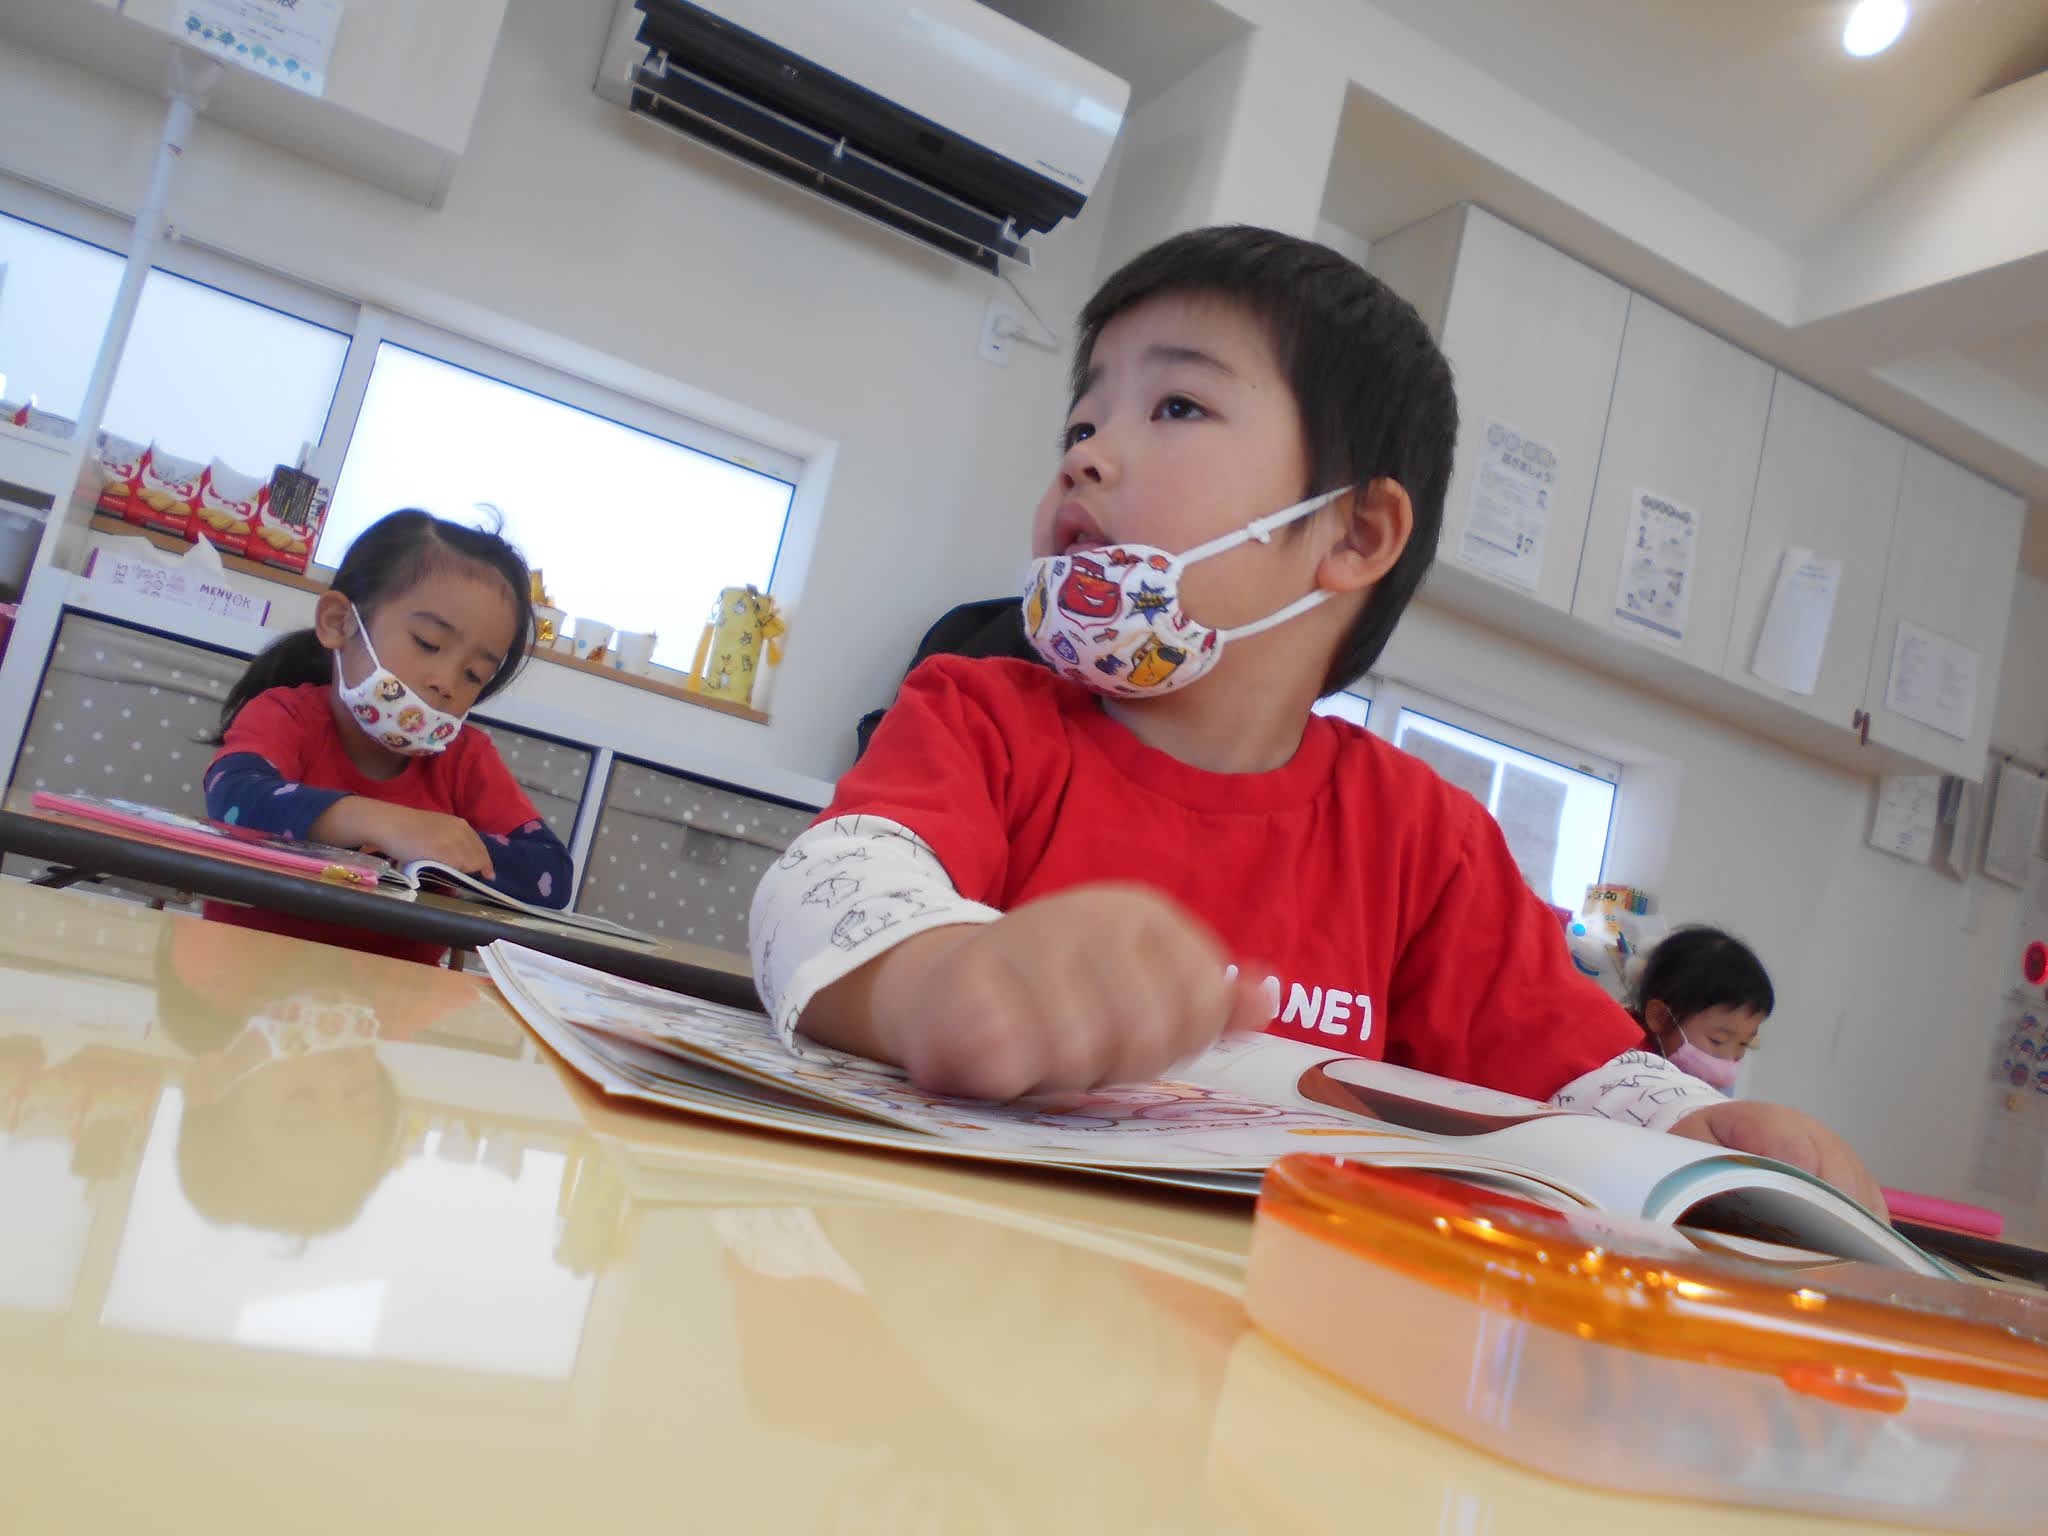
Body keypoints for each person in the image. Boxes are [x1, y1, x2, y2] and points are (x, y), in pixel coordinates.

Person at [749, 225, 1883, 1211]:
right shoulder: (979, 711)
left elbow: (1579, 1073)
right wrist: (938, 981)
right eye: (1079, 422)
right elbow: (827, 888)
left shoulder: (1425, 841)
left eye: (1176, 405)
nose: (1086, 455)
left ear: (1352, 535)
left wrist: (1694, 1129)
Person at [202, 509, 572, 964]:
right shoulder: (285, 714)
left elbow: (550, 874)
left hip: (397, 993)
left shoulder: (466, 758)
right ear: (339, 623)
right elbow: (235, 798)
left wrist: (450, 848)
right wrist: (384, 823)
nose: (446, 683)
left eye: (474, 674)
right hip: (244, 975)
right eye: (428, 643)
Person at [1627, 926, 1771, 1096]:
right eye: (1718, 1040)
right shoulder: (1622, 1065)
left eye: (1744, 1044)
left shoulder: (1703, 1084)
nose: (1730, 1058)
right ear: (1660, 1017)